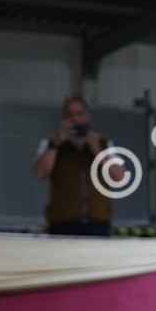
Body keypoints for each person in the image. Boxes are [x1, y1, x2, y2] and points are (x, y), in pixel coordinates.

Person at [33, 94, 125, 235]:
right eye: (70, 114)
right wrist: (56, 144)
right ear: (64, 119)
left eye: (79, 114)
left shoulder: (103, 142)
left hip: (97, 224)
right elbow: (40, 173)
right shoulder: (50, 142)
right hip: (62, 224)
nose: (75, 119)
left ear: (87, 116)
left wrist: (98, 152)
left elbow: (119, 176)